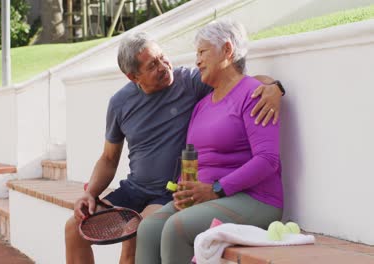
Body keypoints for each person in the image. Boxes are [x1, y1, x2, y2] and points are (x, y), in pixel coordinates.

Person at [65, 30, 283, 264]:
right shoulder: (120, 103)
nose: (163, 67)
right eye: (152, 66)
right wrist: (90, 193)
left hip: (167, 191)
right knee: (74, 228)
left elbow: (236, 80)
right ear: (133, 77)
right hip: (135, 189)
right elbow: (109, 159)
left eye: (162, 57)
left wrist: (274, 87)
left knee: (136, 238)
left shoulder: (190, 82)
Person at [135, 19, 284, 264]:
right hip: (208, 195)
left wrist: (217, 189)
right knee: (149, 228)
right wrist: (185, 188)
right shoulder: (202, 105)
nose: (197, 61)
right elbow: (193, 156)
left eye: (203, 52)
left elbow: (268, 160)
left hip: (255, 198)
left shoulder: (256, 94)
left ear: (227, 50)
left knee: (177, 228)